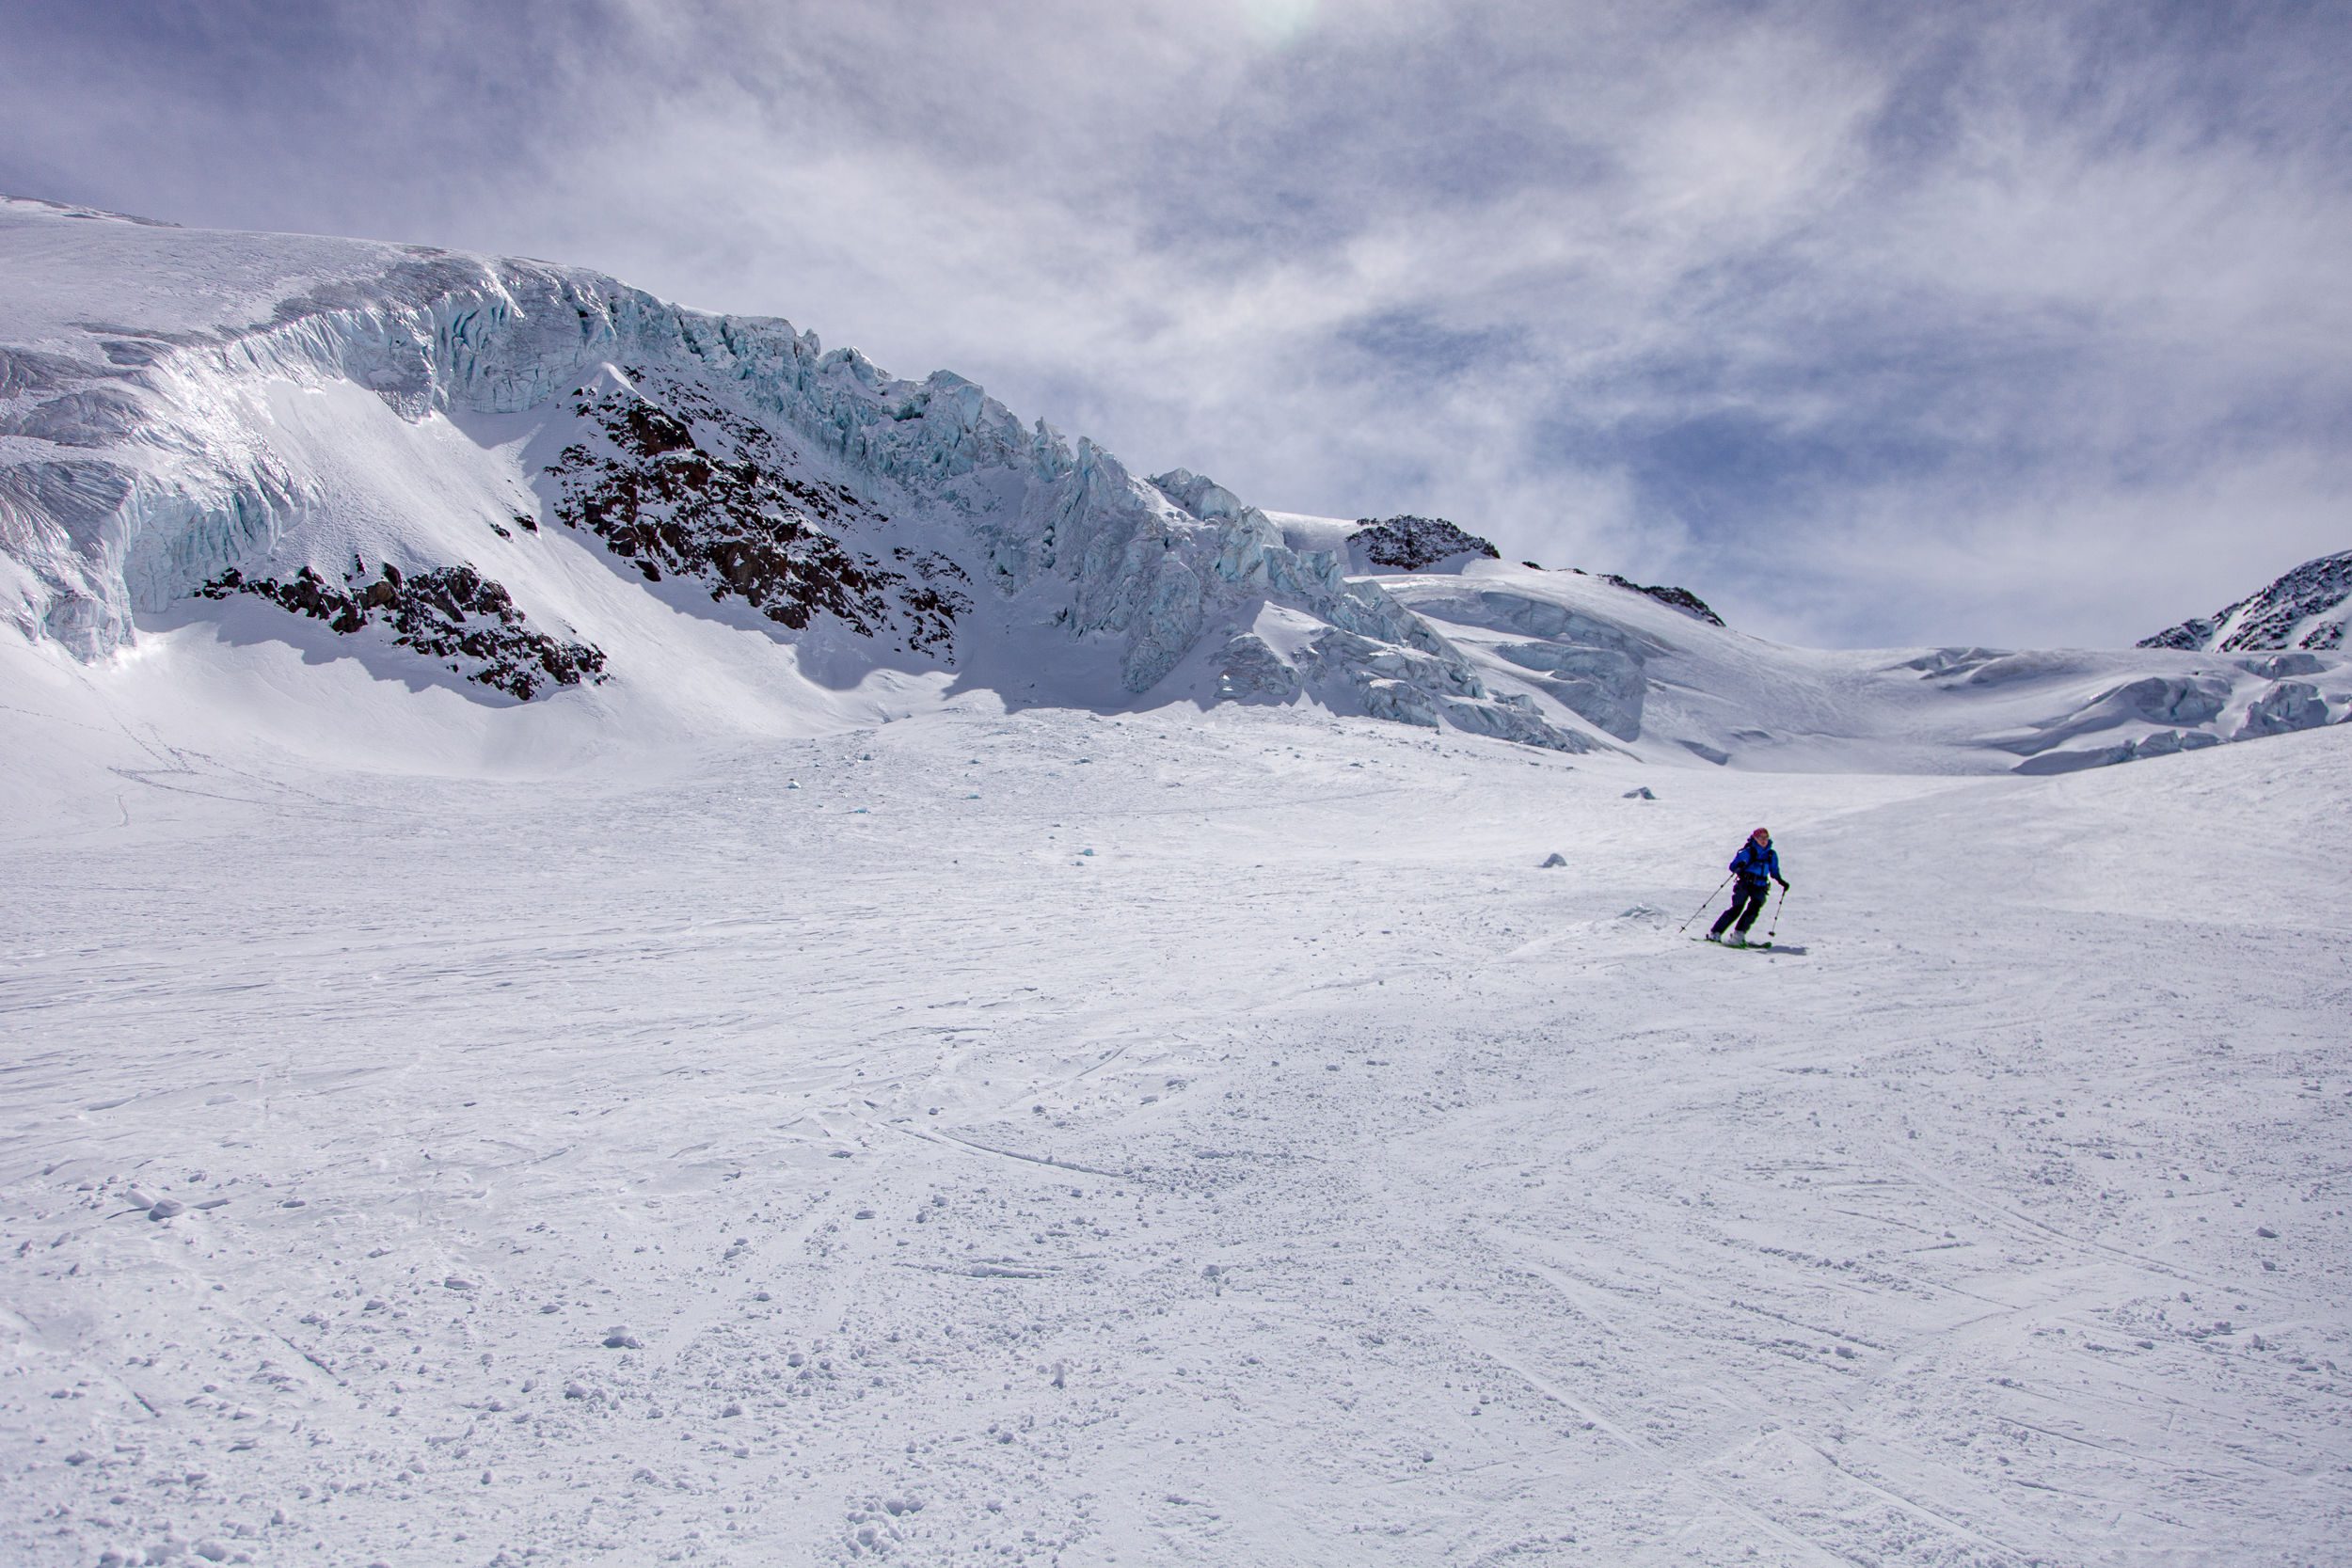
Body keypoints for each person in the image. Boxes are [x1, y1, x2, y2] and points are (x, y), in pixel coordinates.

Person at [1707, 828, 1789, 945]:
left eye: (1766, 837)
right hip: (1745, 884)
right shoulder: (1748, 851)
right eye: (1761, 837)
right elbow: (1733, 866)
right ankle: (1716, 932)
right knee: (1737, 908)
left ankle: (1739, 934)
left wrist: (1781, 881)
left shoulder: (1771, 854)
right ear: (1755, 838)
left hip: (1761, 886)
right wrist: (1739, 866)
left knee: (1754, 909)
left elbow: (1774, 870)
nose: (1763, 840)